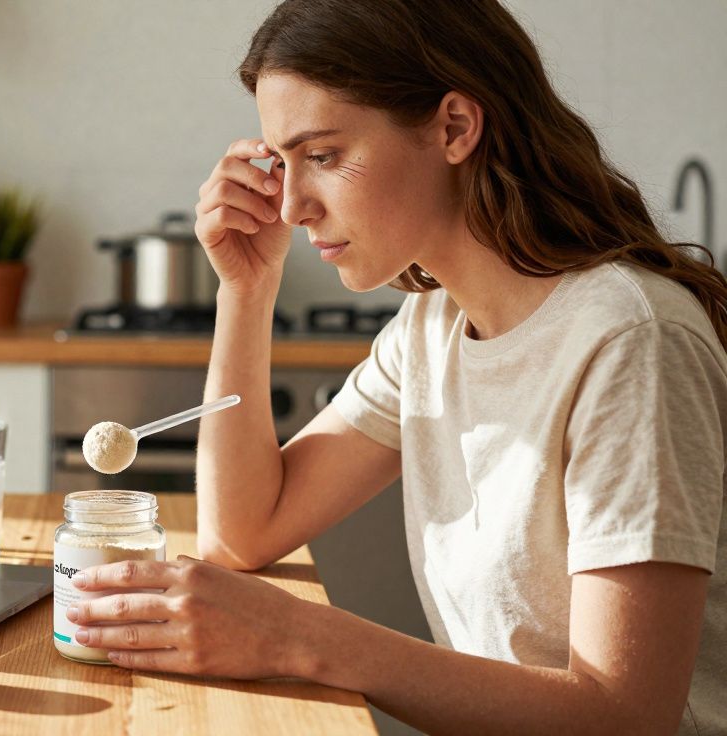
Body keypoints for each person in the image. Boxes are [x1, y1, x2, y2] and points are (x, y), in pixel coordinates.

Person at [62, 1, 727, 733]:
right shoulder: (432, 324)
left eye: (321, 156)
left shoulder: (631, 341)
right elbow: (244, 531)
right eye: (280, 164)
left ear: (453, 127)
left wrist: (299, 636)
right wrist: (245, 291)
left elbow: (626, 716)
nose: (290, 206)